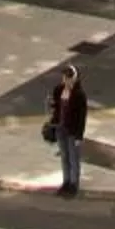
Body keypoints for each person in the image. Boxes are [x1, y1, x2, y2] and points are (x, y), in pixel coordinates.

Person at [47, 58, 89, 196]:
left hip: (73, 131)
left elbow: (82, 117)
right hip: (60, 128)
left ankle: (74, 184)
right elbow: (55, 108)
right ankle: (66, 182)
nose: (66, 80)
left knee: (73, 158)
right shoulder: (58, 90)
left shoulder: (79, 95)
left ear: (74, 78)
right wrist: (52, 107)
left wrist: (79, 136)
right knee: (64, 156)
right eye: (65, 77)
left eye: (69, 78)